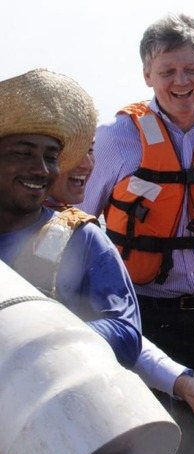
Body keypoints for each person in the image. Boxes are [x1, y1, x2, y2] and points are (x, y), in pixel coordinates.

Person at [78, 13, 194, 454]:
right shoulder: (117, 139)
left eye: (191, 70)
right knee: (143, 443)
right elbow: (76, 221)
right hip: (136, 317)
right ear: (147, 75)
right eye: (167, 72)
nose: (181, 82)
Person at [47, 145, 194, 427]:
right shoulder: (70, 232)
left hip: (69, 400)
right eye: (26, 153)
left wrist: (179, 381)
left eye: (92, 149)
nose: (86, 163)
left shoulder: (87, 238)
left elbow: (126, 334)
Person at [0, 68, 141, 367]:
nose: (41, 169)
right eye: (23, 154)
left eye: (51, 157)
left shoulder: (81, 238)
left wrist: (34, 345)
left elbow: (125, 334)